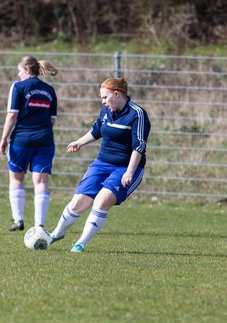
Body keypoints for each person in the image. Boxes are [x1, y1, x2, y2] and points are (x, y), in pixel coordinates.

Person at [50, 77, 151, 252]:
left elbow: (139, 145)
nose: (102, 101)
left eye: (105, 97)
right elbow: (96, 131)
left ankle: (80, 243)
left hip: (126, 167)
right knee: (78, 203)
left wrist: (129, 172)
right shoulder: (106, 111)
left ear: (117, 94)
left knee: (101, 201)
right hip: (102, 163)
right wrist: (79, 142)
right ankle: (57, 233)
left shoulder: (137, 114)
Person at [0, 56, 58, 231]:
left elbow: (12, 115)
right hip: (45, 140)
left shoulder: (18, 87)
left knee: (17, 179)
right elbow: (53, 119)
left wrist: (3, 139)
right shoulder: (49, 89)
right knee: (41, 182)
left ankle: (18, 220)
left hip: (22, 140)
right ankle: (39, 224)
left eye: (19, 70)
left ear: (27, 69)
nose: (18, 74)